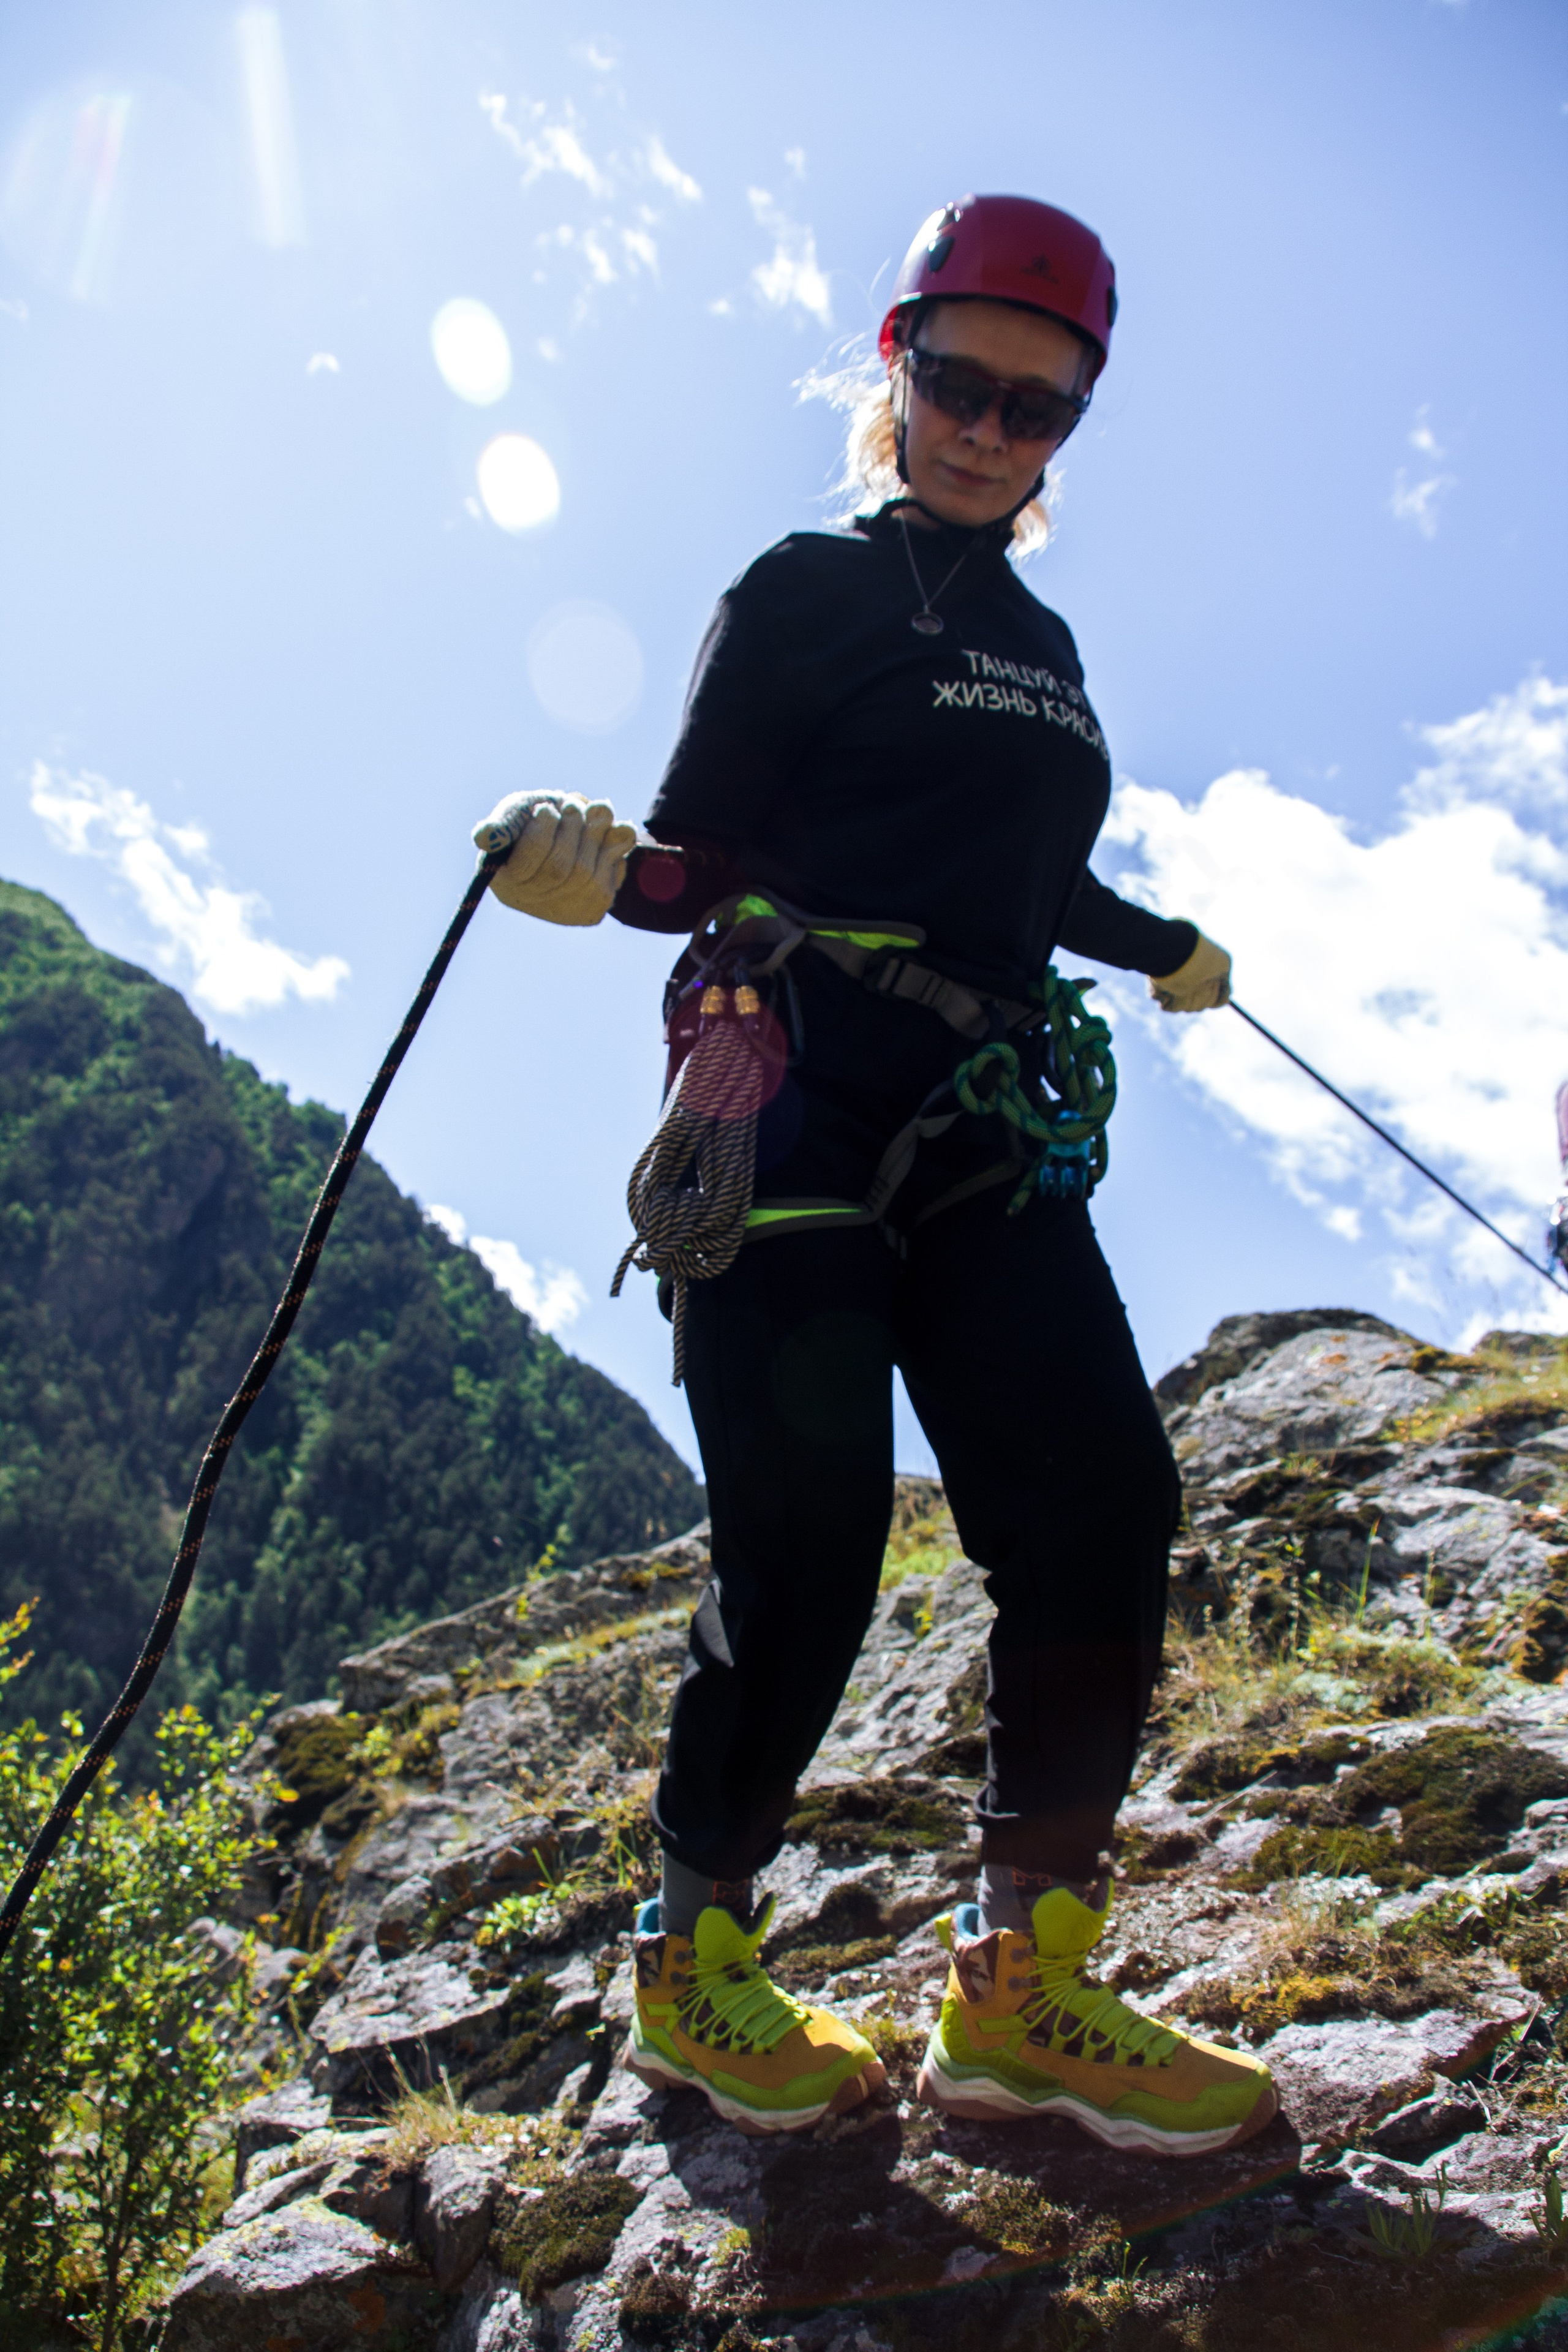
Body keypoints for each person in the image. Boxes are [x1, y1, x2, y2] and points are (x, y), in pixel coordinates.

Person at [472, 194, 1276, 2158]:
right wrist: (589, 873)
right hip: (796, 1086)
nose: (995, 430)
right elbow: (694, 852)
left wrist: (1154, 940)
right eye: (961, 382)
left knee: (1101, 1502)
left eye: (1042, 407)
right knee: (811, 1526)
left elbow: (1020, 879)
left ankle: (1025, 1990)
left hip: (991, 1119)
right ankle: (690, 1961)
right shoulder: (803, 588)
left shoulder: (1043, 644)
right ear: (893, 366)